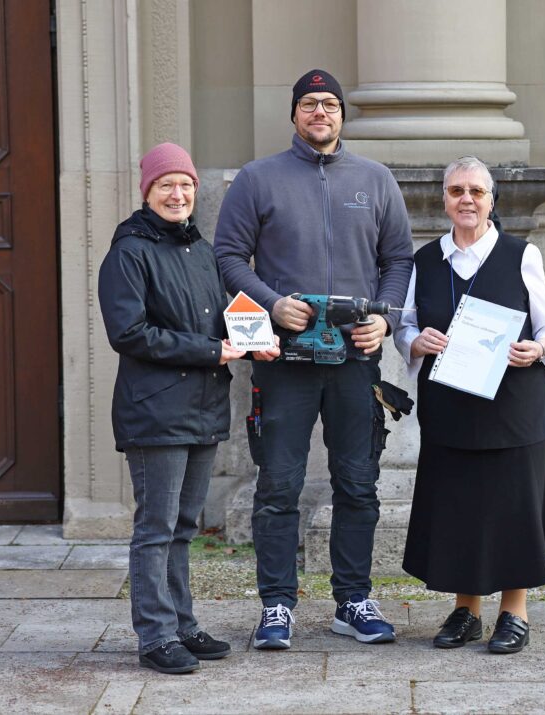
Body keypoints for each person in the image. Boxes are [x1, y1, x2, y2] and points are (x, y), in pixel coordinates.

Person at [214, 69, 414, 649]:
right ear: (294, 115)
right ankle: (276, 606)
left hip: (355, 360)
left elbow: (398, 259)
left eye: (329, 104)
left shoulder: (375, 180)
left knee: (358, 484)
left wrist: (387, 317)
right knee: (278, 486)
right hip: (284, 362)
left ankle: (353, 600)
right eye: (308, 104)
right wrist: (273, 305)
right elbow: (228, 256)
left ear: (342, 115)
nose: (319, 112)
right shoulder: (258, 179)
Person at [98, 142, 278, 674]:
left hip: (202, 406)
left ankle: (182, 624)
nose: (178, 194)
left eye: (186, 185)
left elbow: (221, 319)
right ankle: (155, 636)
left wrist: (253, 339)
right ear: (147, 192)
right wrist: (210, 350)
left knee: (182, 526)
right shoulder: (128, 252)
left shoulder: (200, 251)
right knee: (155, 527)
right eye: (166, 185)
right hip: (155, 410)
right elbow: (127, 332)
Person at [394, 156, 545, 654]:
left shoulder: (522, 255)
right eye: (456, 191)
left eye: (475, 190)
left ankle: (514, 614)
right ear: (444, 200)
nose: (466, 199)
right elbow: (405, 326)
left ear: (492, 200)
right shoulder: (425, 260)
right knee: (459, 509)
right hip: (451, 406)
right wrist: (415, 340)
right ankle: (465, 612)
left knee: (515, 507)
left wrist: (538, 349)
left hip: (516, 405)